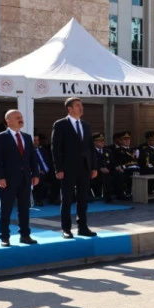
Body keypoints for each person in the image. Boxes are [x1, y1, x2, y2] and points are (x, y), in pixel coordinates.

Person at [50, 97, 98, 239]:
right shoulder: (60, 124)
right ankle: (66, 229)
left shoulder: (86, 125)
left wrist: (94, 167)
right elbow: (56, 148)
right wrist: (58, 169)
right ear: (69, 108)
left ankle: (82, 227)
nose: (81, 108)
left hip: (84, 167)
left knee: (83, 199)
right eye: (77, 105)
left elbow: (90, 148)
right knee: (67, 199)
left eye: (81, 105)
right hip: (68, 168)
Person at [0, 109, 40, 247]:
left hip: (25, 178)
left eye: (21, 117)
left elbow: (32, 158)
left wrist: (35, 174)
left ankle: (25, 235)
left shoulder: (27, 137)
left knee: (24, 208)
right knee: (6, 209)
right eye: (17, 117)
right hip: (8, 179)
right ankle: (4, 237)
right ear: (8, 120)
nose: (20, 119)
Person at [109, 132, 139, 201]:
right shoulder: (117, 151)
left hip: (136, 168)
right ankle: (126, 193)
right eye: (124, 139)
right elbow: (115, 162)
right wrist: (119, 168)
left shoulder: (133, 150)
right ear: (121, 140)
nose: (127, 141)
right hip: (125, 169)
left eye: (128, 139)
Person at [31, 135, 58, 206]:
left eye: (37, 140)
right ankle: (39, 200)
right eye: (34, 140)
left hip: (47, 171)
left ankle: (53, 199)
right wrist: (37, 171)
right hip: (37, 173)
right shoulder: (29, 152)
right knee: (41, 177)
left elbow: (49, 162)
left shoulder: (43, 150)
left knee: (57, 177)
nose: (36, 142)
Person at [91, 133, 111, 200]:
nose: (102, 142)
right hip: (95, 171)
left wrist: (117, 167)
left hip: (108, 170)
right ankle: (97, 195)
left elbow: (113, 162)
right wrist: (99, 168)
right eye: (99, 141)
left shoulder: (108, 151)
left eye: (103, 140)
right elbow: (90, 163)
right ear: (94, 142)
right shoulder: (90, 152)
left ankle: (112, 195)